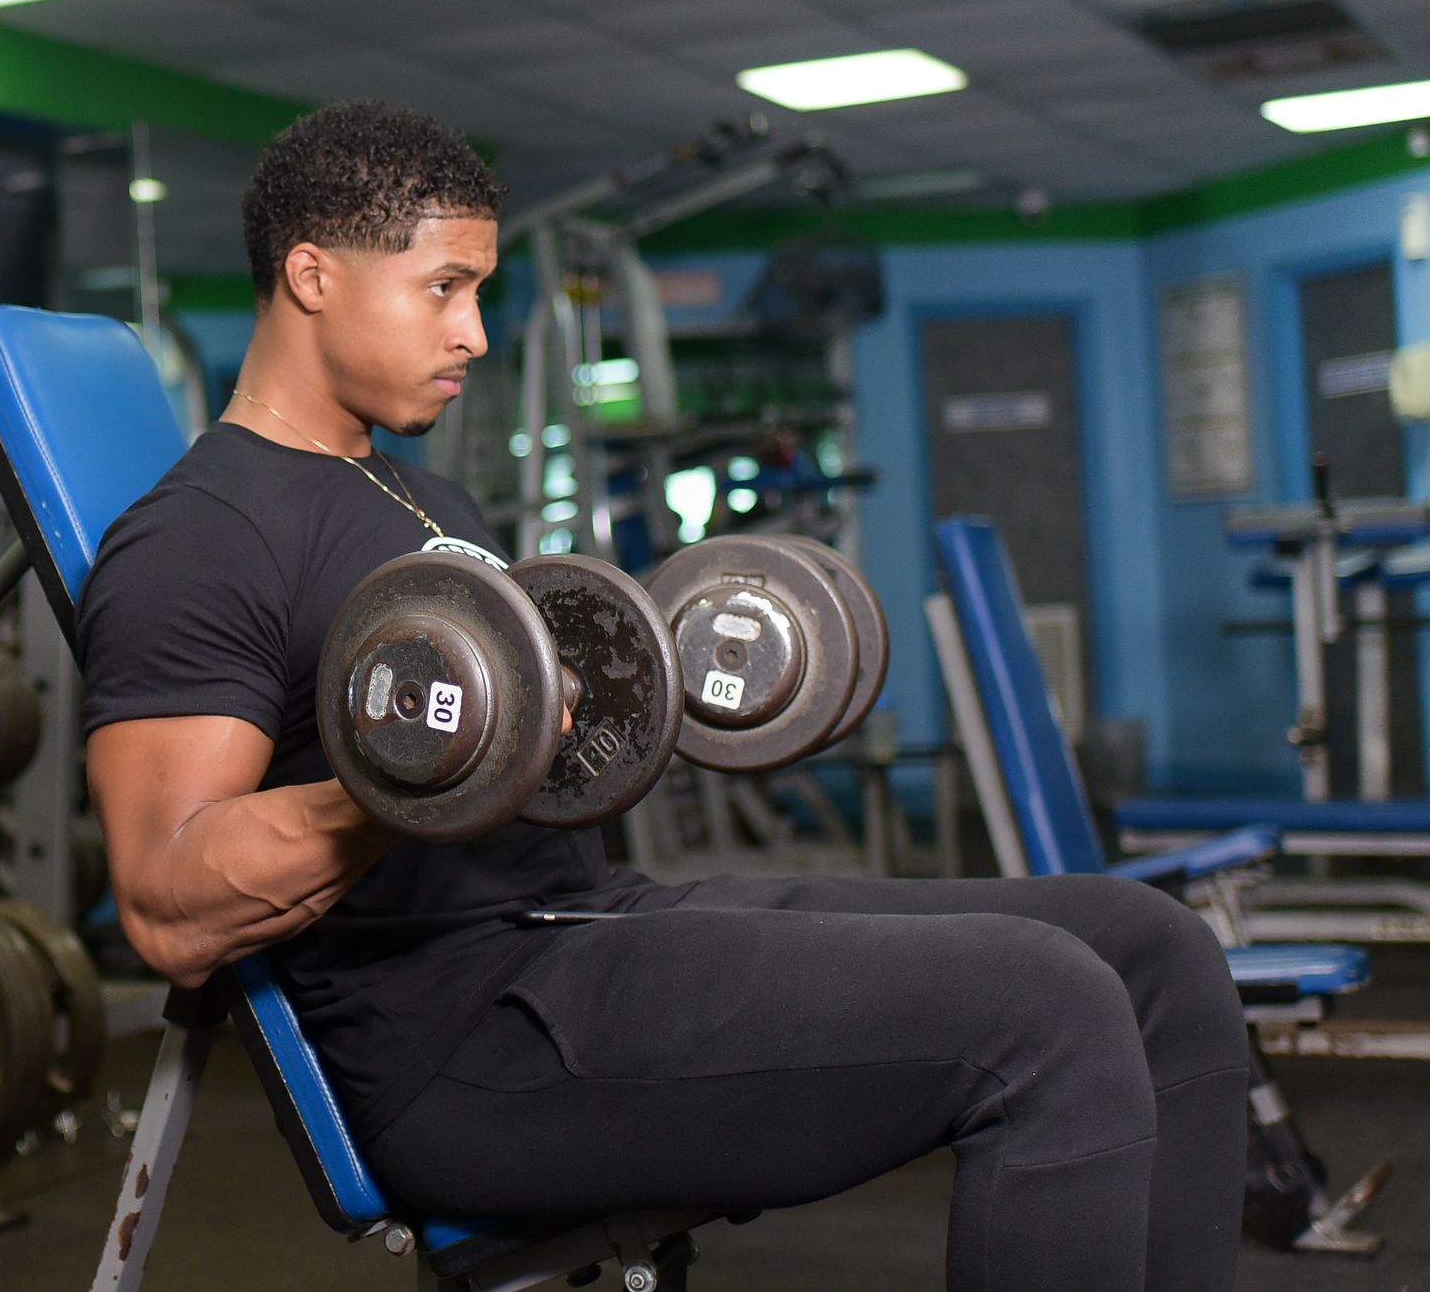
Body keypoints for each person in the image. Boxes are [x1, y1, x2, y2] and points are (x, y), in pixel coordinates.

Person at [77, 100, 1248, 1292]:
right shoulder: (199, 536)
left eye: (481, 291)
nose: (475, 332)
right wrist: (422, 778)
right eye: (443, 288)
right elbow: (170, 904)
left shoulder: (423, 498)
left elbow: (538, 759)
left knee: (1150, 948)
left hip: (592, 928)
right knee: (1039, 1010)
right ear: (313, 275)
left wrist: (640, 697)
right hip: (466, 1041)